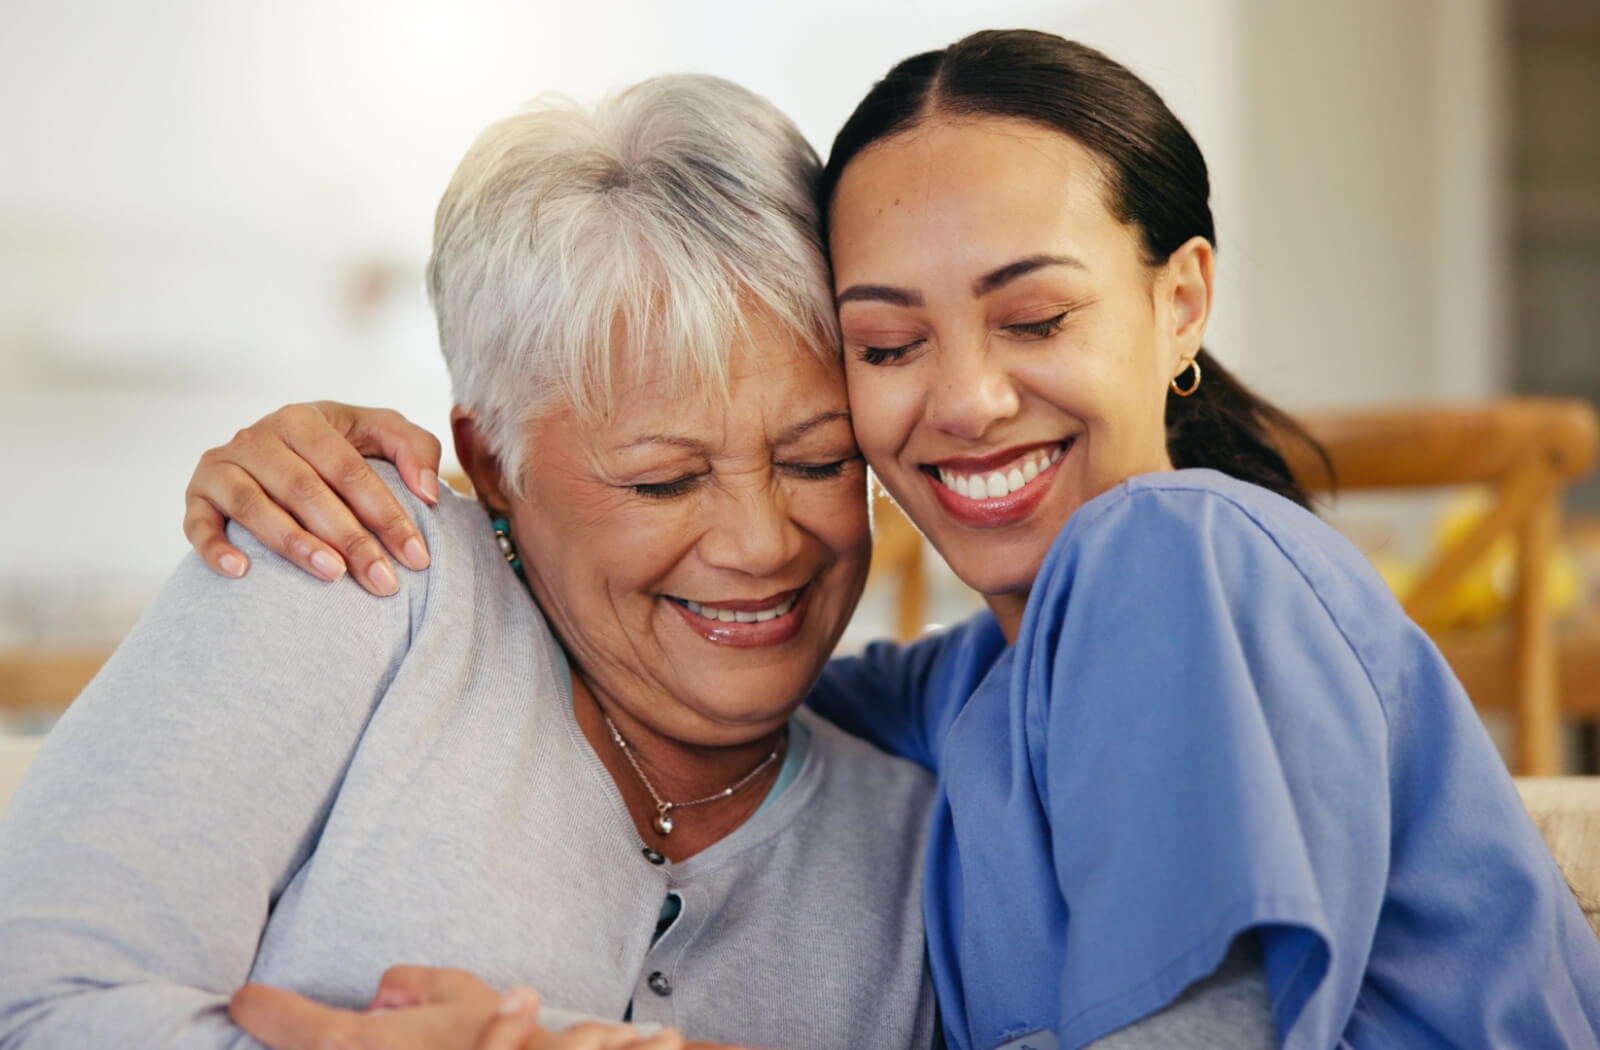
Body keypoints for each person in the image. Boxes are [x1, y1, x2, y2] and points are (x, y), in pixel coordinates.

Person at [190, 28, 1600, 1050]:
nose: (970, 399)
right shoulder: (951, 703)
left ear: (1180, 302)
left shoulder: (1184, 549)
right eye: (885, 341)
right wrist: (405, 482)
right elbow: (644, 652)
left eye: (1037, 318)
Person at [0, 75, 941, 1050]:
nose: (763, 543)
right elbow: (35, 1003)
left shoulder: (927, 842)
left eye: (819, 461)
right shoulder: (351, 557)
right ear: (493, 460)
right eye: (663, 480)